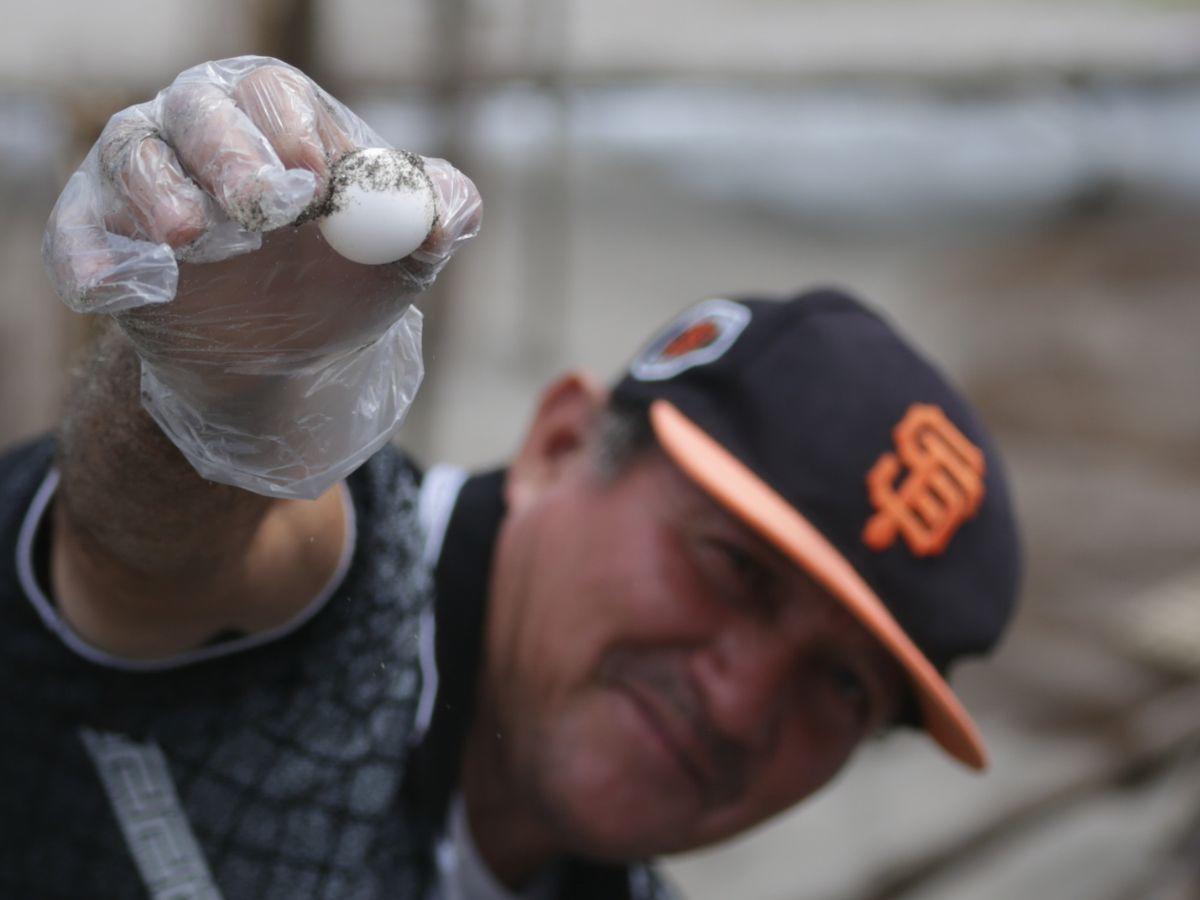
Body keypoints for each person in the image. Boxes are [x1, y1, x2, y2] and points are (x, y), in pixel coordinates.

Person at [0, 58, 1020, 900]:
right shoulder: (342, 583)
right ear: (560, 444)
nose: (743, 702)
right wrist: (209, 402)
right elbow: (155, 559)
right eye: (737, 570)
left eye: (842, 683)